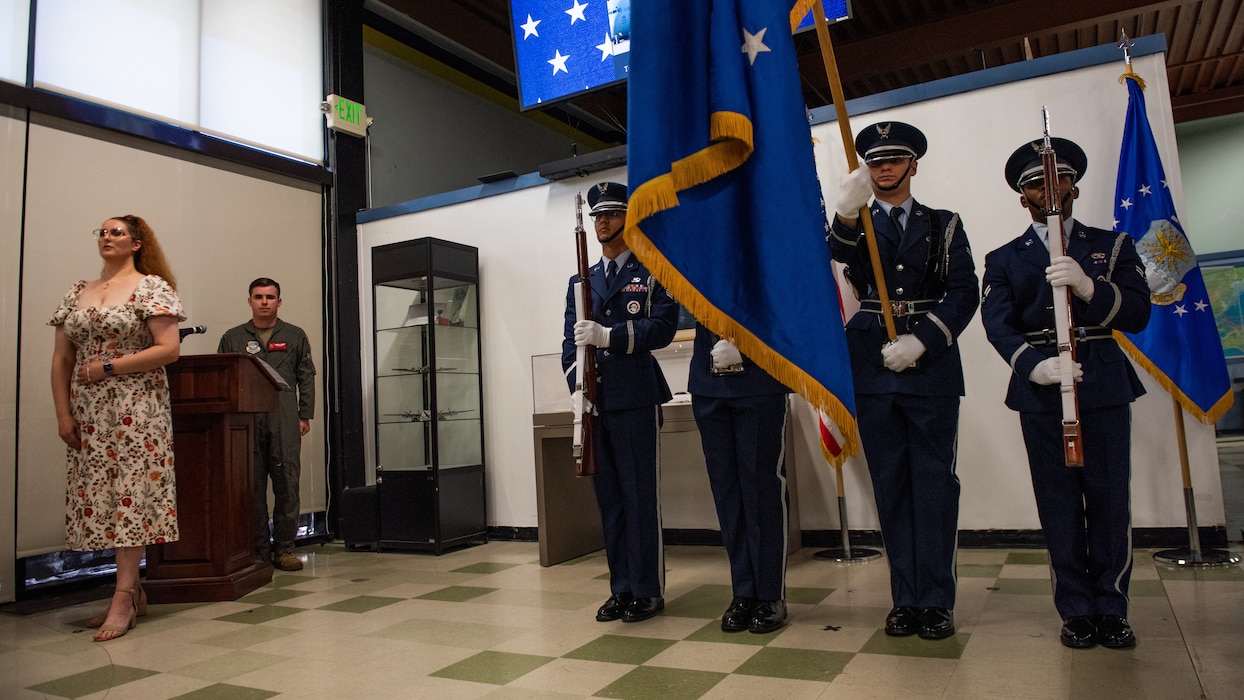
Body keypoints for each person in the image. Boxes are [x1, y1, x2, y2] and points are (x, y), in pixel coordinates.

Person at [981, 137, 1150, 649]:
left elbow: (1139, 313)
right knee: (1057, 503)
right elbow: (997, 324)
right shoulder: (1006, 258)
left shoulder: (1112, 245)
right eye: (1035, 183)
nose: (1048, 189)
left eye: (1058, 178)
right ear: (1021, 195)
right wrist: (1034, 367)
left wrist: (1089, 287)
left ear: (1073, 184)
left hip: (1100, 382)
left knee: (1108, 500)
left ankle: (1112, 606)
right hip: (1041, 390)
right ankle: (1075, 609)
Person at [829, 121, 979, 639]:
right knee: (890, 487)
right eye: (875, 161)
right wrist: (846, 213)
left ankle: (936, 599)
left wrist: (925, 339)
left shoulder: (944, 224)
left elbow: (964, 292)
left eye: (894, 159)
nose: (884, 168)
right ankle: (905, 598)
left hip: (931, 369)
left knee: (935, 487)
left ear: (913, 165)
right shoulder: (857, 222)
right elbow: (838, 256)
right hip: (872, 366)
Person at [49, 215, 185, 642]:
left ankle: (123, 594)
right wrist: (63, 414)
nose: (107, 238)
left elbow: (169, 349)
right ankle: (133, 590)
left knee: (131, 494)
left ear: (136, 243)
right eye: (102, 233)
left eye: (117, 233)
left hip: (136, 408)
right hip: (89, 409)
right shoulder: (78, 291)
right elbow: (61, 361)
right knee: (102, 495)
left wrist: (109, 366)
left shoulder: (151, 286)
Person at [562, 181, 679, 623]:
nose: (603, 222)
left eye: (611, 214)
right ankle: (622, 587)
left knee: (639, 497)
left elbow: (663, 328)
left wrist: (611, 336)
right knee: (609, 499)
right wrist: (578, 387)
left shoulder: (651, 272)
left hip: (635, 396)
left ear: (628, 218)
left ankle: (648, 588)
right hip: (597, 402)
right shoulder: (581, 280)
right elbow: (569, 344)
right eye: (597, 216)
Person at [688, 325, 791, 633]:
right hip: (709, 381)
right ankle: (743, 592)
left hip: (759, 379)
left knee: (762, 490)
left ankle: (771, 595)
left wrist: (746, 349)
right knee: (727, 494)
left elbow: (776, 307)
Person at [218, 278, 316, 572]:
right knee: (251, 486)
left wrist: (304, 415)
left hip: (283, 417)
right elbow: (224, 379)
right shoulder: (233, 337)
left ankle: (284, 549)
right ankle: (259, 551)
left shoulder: (295, 335)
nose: (264, 302)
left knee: (287, 484)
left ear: (279, 301)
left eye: (270, 297)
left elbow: (306, 377)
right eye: (258, 296)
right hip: (246, 420)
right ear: (249, 301)